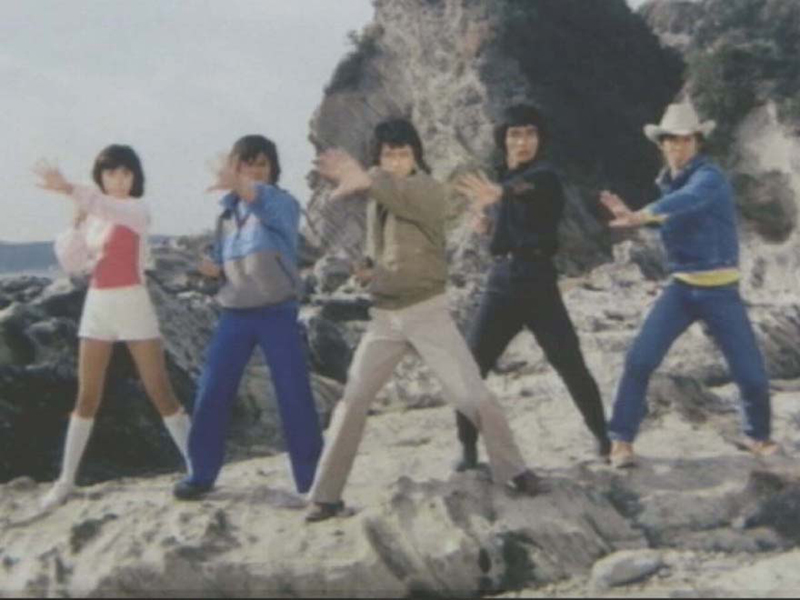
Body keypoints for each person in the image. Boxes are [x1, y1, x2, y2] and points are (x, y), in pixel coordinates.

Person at [305, 119, 541, 523]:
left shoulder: (428, 189)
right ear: (378, 158)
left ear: (416, 156)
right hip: (384, 318)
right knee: (353, 401)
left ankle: (515, 470)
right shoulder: (378, 198)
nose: (397, 161)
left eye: (404, 153)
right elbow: (382, 247)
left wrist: (367, 178)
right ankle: (324, 496)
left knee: (472, 396)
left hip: (427, 313)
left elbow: (406, 198)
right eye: (388, 154)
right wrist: (369, 270)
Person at [600, 100, 777, 468]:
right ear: (661, 145)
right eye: (671, 140)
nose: (678, 147)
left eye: (685, 140)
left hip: (722, 291)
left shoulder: (709, 178)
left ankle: (757, 436)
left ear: (697, 142)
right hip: (681, 289)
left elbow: (688, 201)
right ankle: (621, 440)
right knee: (639, 360)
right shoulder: (667, 183)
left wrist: (641, 214)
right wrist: (641, 219)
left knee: (751, 375)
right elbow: (672, 214)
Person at [453, 105, 611, 470]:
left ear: (540, 139)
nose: (523, 142)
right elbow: (510, 218)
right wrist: (488, 227)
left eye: (530, 134)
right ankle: (467, 448)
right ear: (504, 140)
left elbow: (525, 189)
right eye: (515, 134)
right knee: (470, 366)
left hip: (539, 282)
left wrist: (500, 194)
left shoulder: (544, 178)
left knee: (569, 362)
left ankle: (604, 437)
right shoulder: (502, 183)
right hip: (501, 281)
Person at [34, 145, 191, 510]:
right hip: (98, 307)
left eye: (125, 173)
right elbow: (73, 263)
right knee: (86, 396)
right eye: (110, 173)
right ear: (100, 178)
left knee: (161, 392)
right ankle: (65, 480)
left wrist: (71, 189)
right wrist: (76, 219)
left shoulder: (136, 210)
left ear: (135, 177)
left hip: (134, 304)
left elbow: (111, 209)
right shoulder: (94, 214)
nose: (119, 180)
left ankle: (198, 468)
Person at [173, 135, 323, 500]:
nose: (255, 170)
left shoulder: (282, 202)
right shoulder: (226, 216)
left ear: (273, 169)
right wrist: (212, 271)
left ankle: (313, 481)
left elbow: (262, 201)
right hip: (234, 314)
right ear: (236, 166)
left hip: (277, 312)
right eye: (247, 164)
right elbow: (222, 268)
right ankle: (201, 475)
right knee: (212, 391)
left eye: (262, 164)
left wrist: (239, 183)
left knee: (294, 396)